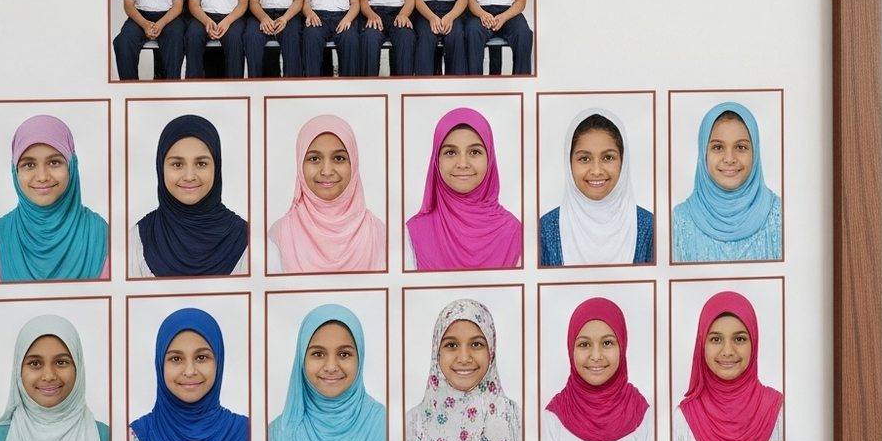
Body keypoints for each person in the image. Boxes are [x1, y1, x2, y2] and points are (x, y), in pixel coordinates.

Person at [0, 314, 110, 441]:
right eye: (35, 364)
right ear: (18, 371)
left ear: (78, 368)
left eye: (61, 362)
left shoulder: (105, 439)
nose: (49, 376)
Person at [129, 306, 250, 441]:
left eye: (201, 357)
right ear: (160, 364)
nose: (190, 371)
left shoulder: (249, 436)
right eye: (176, 359)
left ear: (218, 361)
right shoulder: (134, 440)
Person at [0, 114, 111, 282]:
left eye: (54, 163)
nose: (42, 177)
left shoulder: (101, 235)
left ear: (71, 166)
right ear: (15, 171)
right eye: (29, 165)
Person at [267, 303, 388, 441]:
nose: (331, 367)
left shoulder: (386, 426)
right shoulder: (275, 437)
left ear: (360, 358)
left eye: (344, 354)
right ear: (302, 359)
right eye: (318, 354)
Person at [408, 298, 521, 441]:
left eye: (476, 344)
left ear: (491, 350)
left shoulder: (515, 419)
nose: (464, 358)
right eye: (451, 345)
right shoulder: (412, 425)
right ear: (437, 351)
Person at [540, 295, 655, 441]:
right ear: (571, 348)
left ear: (622, 345)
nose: (595, 356)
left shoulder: (642, 415)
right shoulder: (553, 419)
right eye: (584, 344)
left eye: (607, 343)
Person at [403, 107, 519, 270]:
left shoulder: (514, 232)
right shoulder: (413, 233)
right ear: (436, 160)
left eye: (474, 152)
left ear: (490, 158)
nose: (463, 164)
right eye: (450, 152)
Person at [134, 114, 248, 279]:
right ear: (161, 167)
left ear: (216, 167)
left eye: (201, 164)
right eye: (177, 164)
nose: (189, 176)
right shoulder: (136, 240)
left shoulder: (249, 242)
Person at [268, 114, 384, 274]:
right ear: (300, 164)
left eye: (339, 158)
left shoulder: (378, 234)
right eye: (314, 159)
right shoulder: (280, 235)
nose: (327, 171)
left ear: (354, 163)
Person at [673, 291, 784, 441]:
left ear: (754, 343)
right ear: (702, 344)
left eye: (739, 339)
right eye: (716, 339)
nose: (727, 351)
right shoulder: (683, 418)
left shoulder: (780, 410)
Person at [671, 102, 784, 262]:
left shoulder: (780, 214)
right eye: (718, 147)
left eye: (741, 147)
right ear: (703, 153)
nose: (730, 159)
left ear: (755, 152)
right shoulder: (680, 219)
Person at [539, 111, 654, 267]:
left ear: (623, 162)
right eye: (584, 159)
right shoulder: (546, 230)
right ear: (569, 163)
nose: (596, 171)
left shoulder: (649, 227)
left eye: (608, 157)